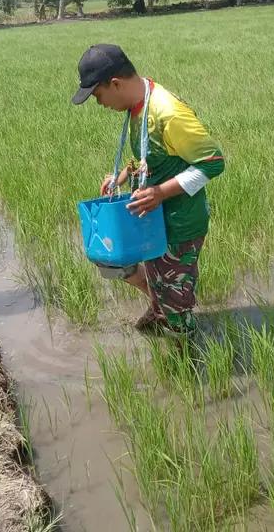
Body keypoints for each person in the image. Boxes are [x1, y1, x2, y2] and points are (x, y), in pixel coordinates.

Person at [72, 44, 225, 339]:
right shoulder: (138, 105)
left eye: (98, 95)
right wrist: (124, 174)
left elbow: (213, 163)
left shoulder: (168, 113)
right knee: (119, 265)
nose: (98, 103)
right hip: (154, 221)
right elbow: (151, 154)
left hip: (180, 224)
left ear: (115, 83)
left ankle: (189, 350)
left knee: (177, 305)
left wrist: (160, 193)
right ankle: (160, 305)